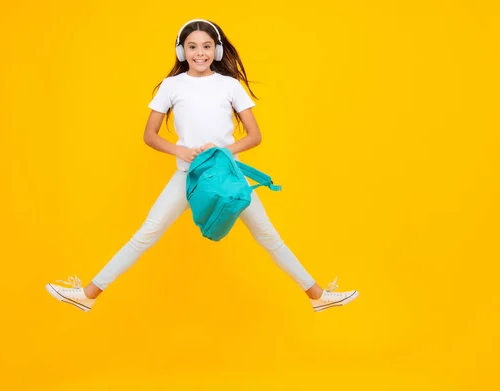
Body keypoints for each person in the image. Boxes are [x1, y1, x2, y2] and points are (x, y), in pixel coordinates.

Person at [45, 19, 359, 313]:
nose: (200, 53)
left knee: (269, 237)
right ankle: (87, 295)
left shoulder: (230, 85)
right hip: (189, 176)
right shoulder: (171, 86)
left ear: (216, 50)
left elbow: (255, 136)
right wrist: (179, 150)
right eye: (192, 46)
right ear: (182, 51)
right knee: (145, 235)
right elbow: (149, 135)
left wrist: (222, 150)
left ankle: (317, 297)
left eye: (206, 46)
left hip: (227, 177)